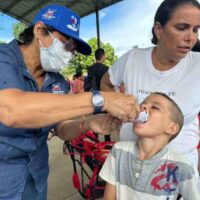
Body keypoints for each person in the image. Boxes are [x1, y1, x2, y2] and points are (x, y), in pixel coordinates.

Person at [0, 4, 139, 200]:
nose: (69, 54)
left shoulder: (57, 81)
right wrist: (100, 99)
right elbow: (11, 111)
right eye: (66, 45)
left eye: (73, 50)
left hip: (36, 175)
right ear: (39, 30)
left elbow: (61, 128)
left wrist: (85, 124)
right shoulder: (4, 58)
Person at [101, 0, 200, 169]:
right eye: (181, 27)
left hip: (178, 173)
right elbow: (106, 83)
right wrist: (117, 110)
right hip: (132, 166)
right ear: (158, 29)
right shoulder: (132, 59)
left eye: (196, 29)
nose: (191, 37)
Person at [100, 92, 200, 200]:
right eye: (142, 104)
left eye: (154, 107)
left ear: (171, 128)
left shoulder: (182, 166)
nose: (142, 107)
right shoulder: (118, 151)